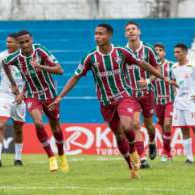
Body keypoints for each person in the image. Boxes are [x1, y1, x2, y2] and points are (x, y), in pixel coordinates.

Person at [50, 23, 171, 179]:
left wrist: (163, 78)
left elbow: (142, 63)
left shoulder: (121, 52)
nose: (97, 37)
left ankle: (134, 151)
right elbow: (75, 77)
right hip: (106, 103)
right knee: (119, 136)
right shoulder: (90, 57)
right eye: (96, 34)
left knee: (129, 126)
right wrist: (60, 96)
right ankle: (131, 166)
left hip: (124, 97)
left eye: (101, 34)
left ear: (109, 36)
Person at [2, 30, 69, 173]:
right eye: (21, 42)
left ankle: (62, 155)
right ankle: (51, 157)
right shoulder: (16, 57)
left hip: (50, 95)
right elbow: (4, 63)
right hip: (32, 95)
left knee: (55, 127)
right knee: (38, 123)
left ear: (31, 40)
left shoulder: (40, 51)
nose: (25, 45)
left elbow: (60, 70)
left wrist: (40, 66)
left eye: (27, 41)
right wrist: (14, 84)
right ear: (18, 44)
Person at [123, 21, 160, 168]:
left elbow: (157, 69)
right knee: (136, 124)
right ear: (125, 34)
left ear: (139, 32)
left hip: (147, 93)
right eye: (128, 30)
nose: (131, 31)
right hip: (131, 95)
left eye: (133, 29)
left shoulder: (148, 49)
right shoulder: (122, 51)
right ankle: (142, 158)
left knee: (150, 125)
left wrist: (149, 81)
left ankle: (152, 141)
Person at [0, 33, 26, 167]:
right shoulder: (0, 57)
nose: (7, 44)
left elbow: (31, 78)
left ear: (17, 43)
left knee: (18, 129)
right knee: (1, 125)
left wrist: (23, 93)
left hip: (20, 98)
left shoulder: (25, 57)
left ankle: (18, 158)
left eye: (10, 42)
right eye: (7, 42)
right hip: (3, 96)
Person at [152, 43, 176, 162]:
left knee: (167, 124)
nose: (158, 52)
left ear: (164, 53)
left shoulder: (171, 66)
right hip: (157, 102)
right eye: (155, 50)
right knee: (162, 127)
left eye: (160, 50)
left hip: (169, 101)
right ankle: (168, 151)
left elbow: (177, 82)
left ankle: (165, 152)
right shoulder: (150, 67)